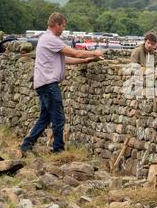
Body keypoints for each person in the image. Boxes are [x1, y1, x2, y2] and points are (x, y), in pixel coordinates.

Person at [20, 12, 103, 155]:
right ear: (57, 24)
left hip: (43, 83)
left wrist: (83, 61)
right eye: (63, 26)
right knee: (58, 118)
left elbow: (64, 60)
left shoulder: (45, 39)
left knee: (45, 118)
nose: (63, 29)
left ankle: (26, 145)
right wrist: (95, 53)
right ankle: (58, 150)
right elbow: (74, 53)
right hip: (49, 84)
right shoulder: (51, 39)